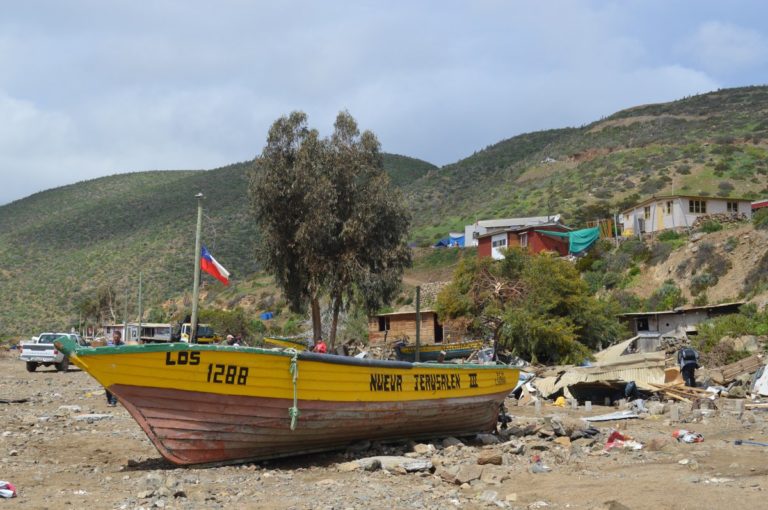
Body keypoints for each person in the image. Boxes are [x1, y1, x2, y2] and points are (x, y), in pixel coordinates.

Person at [105, 330, 123, 406]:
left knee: (115, 385)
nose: (115, 339)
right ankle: (109, 400)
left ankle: (113, 402)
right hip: (109, 367)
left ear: (120, 337)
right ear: (113, 337)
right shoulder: (109, 345)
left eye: (117, 337)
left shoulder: (123, 346)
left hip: (118, 368)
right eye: (114, 337)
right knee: (107, 385)